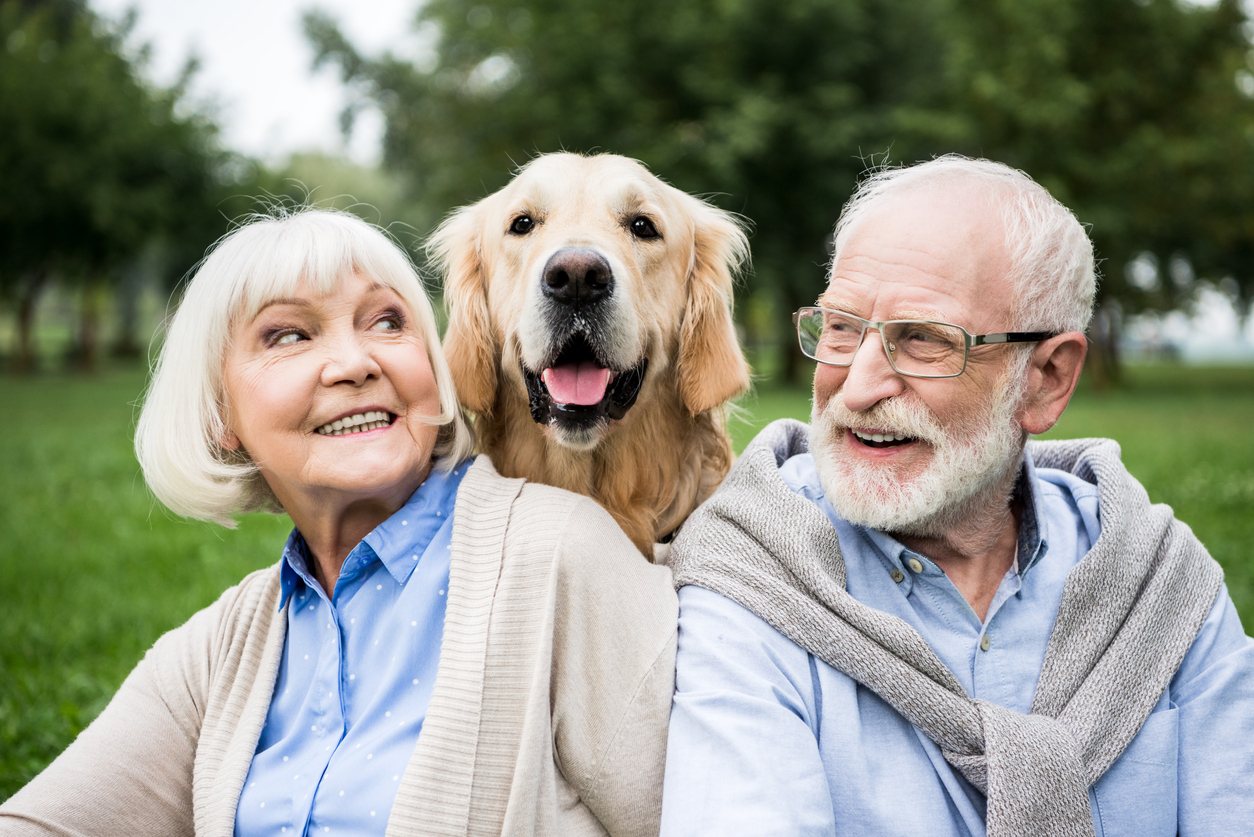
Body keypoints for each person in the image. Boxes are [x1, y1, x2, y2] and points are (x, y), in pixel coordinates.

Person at [0, 209, 677, 837]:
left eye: (387, 322)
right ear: (220, 416)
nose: (356, 363)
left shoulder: (560, 555)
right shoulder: (220, 652)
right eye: (289, 334)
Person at [659, 156, 1254, 836]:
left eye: (923, 339)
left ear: (1047, 380)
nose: (855, 389)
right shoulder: (751, 575)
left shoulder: (1160, 584)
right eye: (842, 328)